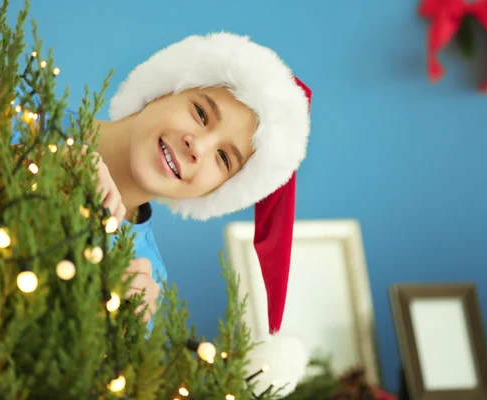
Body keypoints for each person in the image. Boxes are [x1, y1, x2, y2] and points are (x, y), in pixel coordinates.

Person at [19, 32, 313, 395]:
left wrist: (116, 332)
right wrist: (37, 165)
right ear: (163, 88)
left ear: (218, 191)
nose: (198, 146)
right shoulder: (29, 119)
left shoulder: (143, 272)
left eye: (223, 159)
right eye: (201, 113)